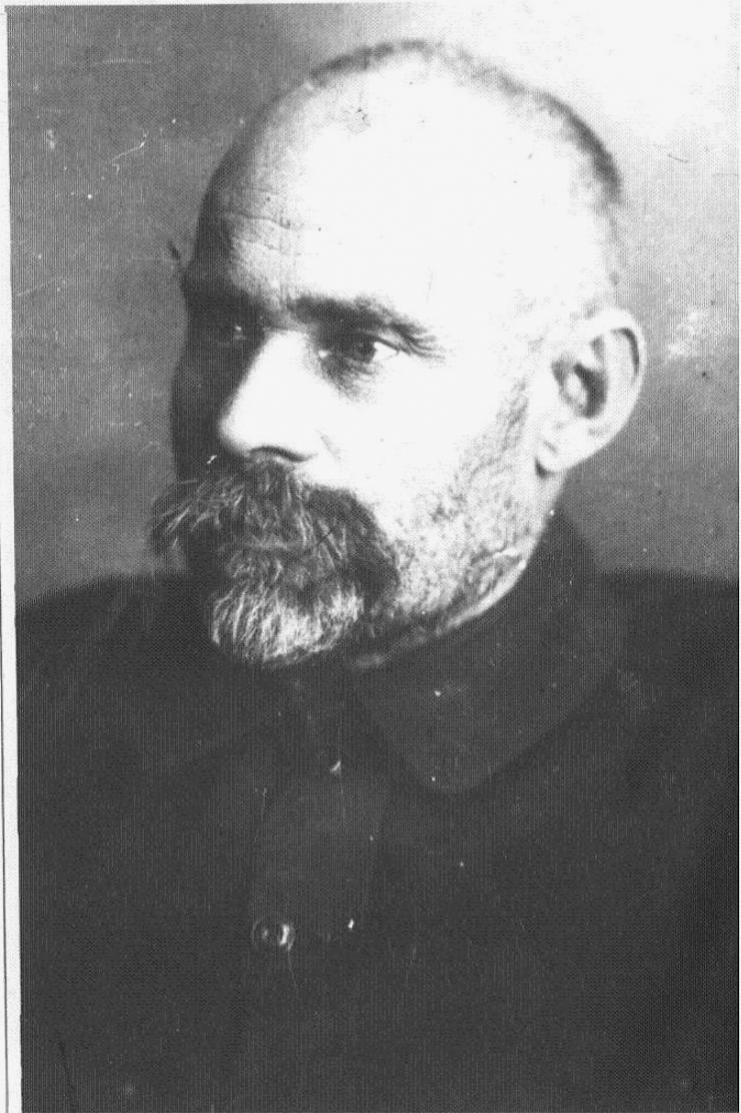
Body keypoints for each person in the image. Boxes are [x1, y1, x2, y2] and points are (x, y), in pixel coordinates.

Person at [19, 40, 736, 1112]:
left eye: (357, 346)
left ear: (577, 395)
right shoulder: (38, 684)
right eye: (223, 321)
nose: (241, 420)